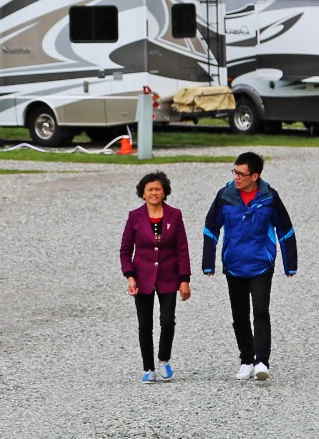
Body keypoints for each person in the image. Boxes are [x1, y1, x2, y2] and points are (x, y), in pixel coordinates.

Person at [200, 151, 297, 381]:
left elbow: (285, 229)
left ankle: (261, 361)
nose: (236, 177)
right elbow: (211, 228)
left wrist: (289, 264)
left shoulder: (270, 197)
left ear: (255, 176)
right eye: (234, 171)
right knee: (239, 315)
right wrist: (208, 263)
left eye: (241, 173)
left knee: (261, 311)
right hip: (234, 265)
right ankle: (246, 359)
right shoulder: (224, 196)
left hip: (261, 264)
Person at [119, 171, 190, 383]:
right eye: (149, 189)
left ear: (164, 191)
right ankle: (148, 367)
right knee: (145, 324)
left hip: (169, 276)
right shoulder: (134, 216)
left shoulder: (175, 215)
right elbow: (124, 251)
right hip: (142, 277)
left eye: (157, 189)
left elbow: (182, 249)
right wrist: (130, 276)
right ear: (142, 193)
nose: (154, 193)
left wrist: (184, 279)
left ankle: (163, 360)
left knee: (167, 321)